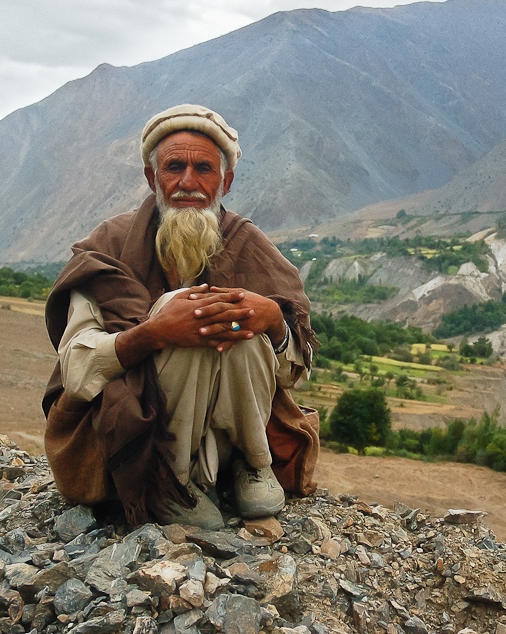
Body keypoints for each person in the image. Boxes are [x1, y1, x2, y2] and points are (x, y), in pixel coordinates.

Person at [42, 104, 320, 530]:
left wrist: (274, 322)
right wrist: (154, 333)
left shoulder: (249, 244)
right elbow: (77, 370)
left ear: (224, 181)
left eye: (204, 169)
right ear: (153, 179)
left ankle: (253, 464)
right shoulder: (109, 245)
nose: (188, 182)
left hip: (225, 431)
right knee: (184, 317)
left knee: (239, 326)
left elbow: (292, 374)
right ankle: (171, 483)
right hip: (139, 435)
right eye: (174, 167)